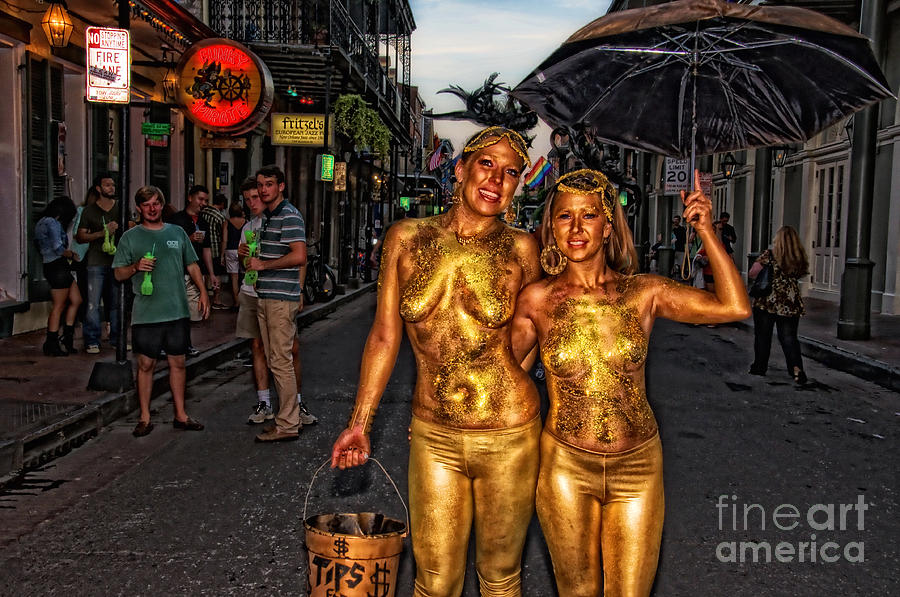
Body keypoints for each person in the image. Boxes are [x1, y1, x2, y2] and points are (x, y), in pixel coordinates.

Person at [511, 169, 750, 597]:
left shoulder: (644, 293)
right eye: (565, 217)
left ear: (608, 225)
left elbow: (732, 306)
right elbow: (502, 373)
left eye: (590, 215)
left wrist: (705, 231)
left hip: (637, 467)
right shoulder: (538, 301)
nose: (578, 227)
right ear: (552, 229)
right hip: (566, 466)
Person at [331, 125, 541, 597]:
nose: (496, 180)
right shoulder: (406, 238)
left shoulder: (522, 249)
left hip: (508, 429)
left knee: (500, 578)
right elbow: (385, 335)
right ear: (461, 169)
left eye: (510, 173)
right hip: (435, 435)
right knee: (434, 581)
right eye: (486, 164)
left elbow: (532, 336)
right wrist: (360, 421)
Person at [113, 186, 209, 437]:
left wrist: (204, 292)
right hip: (146, 313)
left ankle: (181, 414)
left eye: (156, 203)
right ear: (139, 208)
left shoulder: (177, 233)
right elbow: (118, 273)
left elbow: (192, 264)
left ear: (162, 205)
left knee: (178, 361)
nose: (152, 208)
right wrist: (135, 266)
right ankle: (144, 417)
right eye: (147, 205)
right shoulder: (130, 238)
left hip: (176, 310)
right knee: (146, 364)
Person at [236, 179, 316, 427]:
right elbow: (247, 265)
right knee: (261, 348)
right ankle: (267, 403)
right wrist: (244, 256)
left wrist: (299, 290)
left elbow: (299, 258)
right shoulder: (251, 227)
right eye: (248, 199)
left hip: (279, 295)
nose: (253, 202)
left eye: (257, 196)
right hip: (255, 292)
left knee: (287, 352)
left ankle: (293, 409)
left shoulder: (284, 218)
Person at [748, 225, 809, 384]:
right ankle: (796, 368)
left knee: (763, 336)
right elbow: (801, 273)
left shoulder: (769, 255)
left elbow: (753, 273)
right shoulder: (798, 256)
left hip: (768, 300)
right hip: (790, 301)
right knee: (789, 337)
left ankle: (759, 367)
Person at [75, 173, 121, 354]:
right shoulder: (89, 211)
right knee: (93, 303)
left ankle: (117, 338)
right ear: (98, 188)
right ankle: (92, 339)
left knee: (117, 302)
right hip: (95, 261)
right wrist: (102, 233)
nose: (112, 188)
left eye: (113, 184)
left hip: (118, 261)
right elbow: (80, 237)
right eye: (107, 185)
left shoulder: (120, 208)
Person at [35, 196, 82, 356]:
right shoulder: (52, 223)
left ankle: (66, 337)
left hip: (51, 265)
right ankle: (52, 341)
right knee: (59, 306)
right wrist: (71, 255)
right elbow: (58, 247)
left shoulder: (41, 222)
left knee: (76, 300)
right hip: (58, 265)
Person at [168, 184, 216, 324]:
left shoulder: (204, 222)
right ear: (190, 198)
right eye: (200, 199)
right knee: (175, 314)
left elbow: (207, 249)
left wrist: (211, 274)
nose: (203, 204)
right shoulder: (176, 221)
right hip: (177, 271)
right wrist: (190, 239)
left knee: (196, 314)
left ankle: (191, 343)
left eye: (206, 200)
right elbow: (169, 246)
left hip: (197, 271)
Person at [202, 192, 228, 309]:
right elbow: (223, 237)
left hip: (202, 247)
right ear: (222, 204)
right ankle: (216, 299)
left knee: (204, 273)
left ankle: (204, 295)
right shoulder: (220, 217)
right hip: (215, 248)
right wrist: (223, 254)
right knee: (216, 274)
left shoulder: (203, 212)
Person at [222, 199, 246, 309]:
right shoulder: (246, 222)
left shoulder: (227, 222)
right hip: (243, 249)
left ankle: (237, 302)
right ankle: (244, 300)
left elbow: (224, 240)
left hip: (230, 250)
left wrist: (222, 254)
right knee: (244, 276)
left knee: (234, 278)